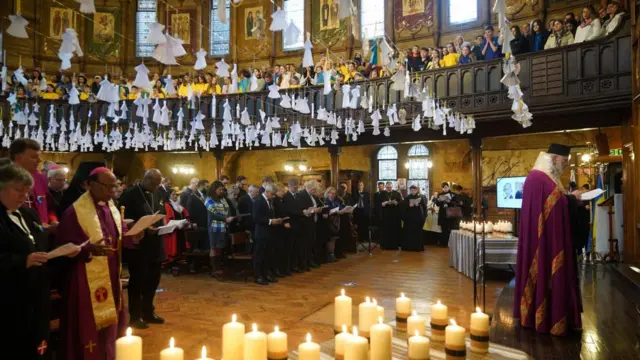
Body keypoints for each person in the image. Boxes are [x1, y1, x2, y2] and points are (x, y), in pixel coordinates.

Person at [57, 167, 134, 360]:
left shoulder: (112, 208)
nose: (111, 191)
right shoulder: (74, 212)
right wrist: (86, 250)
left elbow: (119, 235)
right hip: (84, 278)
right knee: (87, 324)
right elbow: (63, 245)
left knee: (111, 323)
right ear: (90, 184)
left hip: (112, 274)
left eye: (113, 186)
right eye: (106, 186)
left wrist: (133, 235)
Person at [0, 164, 73, 360]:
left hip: (37, 293)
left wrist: (62, 253)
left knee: (39, 345)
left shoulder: (28, 214)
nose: (24, 197)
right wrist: (22, 261)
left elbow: (41, 245)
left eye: (27, 192)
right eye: (18, 190)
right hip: (10, 298)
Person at [513, 144, 582, 336]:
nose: (566, 165)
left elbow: (554, 202)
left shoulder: (546, 178)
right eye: (564, 161)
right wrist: (571, 200)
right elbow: (554, 205)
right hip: (543, 241)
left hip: (549, 237)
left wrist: (568, 199)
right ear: (554, 159)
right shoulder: (538, 178)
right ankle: (543, 317)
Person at [119, 169, 165, 329]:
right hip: (138, 246)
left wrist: (162, 225)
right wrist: (143, 227)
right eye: (154, 183)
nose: (156, 187)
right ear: (146, 179)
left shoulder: (157, 193)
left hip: (155, 244)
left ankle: (148, 311)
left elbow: (160, 212)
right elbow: (122, 218)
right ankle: (135, 315)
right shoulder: (130, 194)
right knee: (138, 280)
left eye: (159, 184)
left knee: (153, 280)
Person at [10, 139, 50, 225]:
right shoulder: (6, 179)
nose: (39, 160)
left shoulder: (41, 178)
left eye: (39, 156)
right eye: (34, 157)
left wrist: (52, 220)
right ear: (18, 158)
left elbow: (48, 205)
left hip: (43, 232)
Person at [252, 184, 284, 285]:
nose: (273, 196)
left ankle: (266, 274)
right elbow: (256, 218)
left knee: (268, 255)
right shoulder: (259, 201)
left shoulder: (270, 201)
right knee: (260, 256)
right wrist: (270, 221)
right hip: (261, 233)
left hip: (269, 233)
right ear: (267, 192)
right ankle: (258, 276)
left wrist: (276, 220)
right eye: (272, 194)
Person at [205, 181, 233, 280]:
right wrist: (225, 218)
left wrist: (229, 216)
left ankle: (219, 268)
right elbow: (213, 214)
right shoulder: (209, 200)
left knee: (220, 248)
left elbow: (227, 209)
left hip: (223, 227)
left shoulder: (222, 199)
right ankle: (214, 270)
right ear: (214, 189)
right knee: (214, 248)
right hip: (214, 227)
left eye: (222, 189)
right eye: (219, 189)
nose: (221, 191)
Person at [162, 187, 189, 266]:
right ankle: (172, 264)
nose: (175, 196)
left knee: (179, 247)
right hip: (173, 230)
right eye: (173, 195)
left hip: (180, 229)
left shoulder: (178, 205)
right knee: (173, 248)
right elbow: (168, 219)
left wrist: (185, 221)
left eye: (176, 195)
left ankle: (178, 261)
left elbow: (185, 213)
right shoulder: (167, 205)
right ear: (169, 196)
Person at [298, 180, 321, 268]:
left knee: (310, 243)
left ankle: (309, 261)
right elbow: (302, 209)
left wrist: (317, 209)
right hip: (305, 223)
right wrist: (312, 210)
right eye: (314, 190)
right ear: (310, 188)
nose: (315, 192)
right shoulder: (302, 195)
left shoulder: (312, 196)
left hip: (312, 221)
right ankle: (304, 263)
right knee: (305, 244)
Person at [401, 185, 426, 252]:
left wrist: (418, 205)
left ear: (417, 190)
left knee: (418, 232)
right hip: (409, 218)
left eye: (414, 190)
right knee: (409, 232)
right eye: (412, 190)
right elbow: (403, 208)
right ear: (410, 190)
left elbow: (424, 207)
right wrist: (409, 206)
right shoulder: (407, 198)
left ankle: (418, 247)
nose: (413, 191)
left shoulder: (421, 197)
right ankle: (408, 247)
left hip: (418, 218)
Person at [186, 180, 209, 252]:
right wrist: (192, 222)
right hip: (198, 224)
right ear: (201, 186)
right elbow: (189, 210)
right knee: (200, 246)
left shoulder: (205, 195)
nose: (208, 188)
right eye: (206, 186)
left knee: (206, 245)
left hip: (206, 222)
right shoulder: (193, 196)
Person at [379, 181, 403, 250]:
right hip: (385, 215)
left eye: (390, 187)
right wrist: (384, 203)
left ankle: (394, 245)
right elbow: (378, 204)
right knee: (385, 230)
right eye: (387, 187)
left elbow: (400, 203)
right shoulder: (382, 194)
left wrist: (396, 203)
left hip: (394, 215)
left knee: (394, 230)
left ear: (392, 187)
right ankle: (385, 245)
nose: (389, 188)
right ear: (385, 187)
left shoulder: (397, 193)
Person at [324, 187, 343, 262]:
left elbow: (341, 207)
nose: (333, 195)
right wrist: (333, 211)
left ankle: (332, 254)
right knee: (330, 239)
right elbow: (326, 210)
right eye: (332, 193)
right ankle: (329, 255)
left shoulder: (336, 201)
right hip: (329, 222)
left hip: (336, 222)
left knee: (334, 238)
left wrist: (342, 210)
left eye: (334, 193)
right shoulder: (325, 201)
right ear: (328, 193)